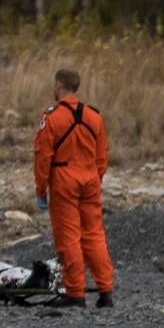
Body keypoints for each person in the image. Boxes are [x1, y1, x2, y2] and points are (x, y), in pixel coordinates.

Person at [35, 68, 114, 309]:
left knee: (69, 236)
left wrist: (41, 189)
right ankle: (106, 291)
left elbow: (42, 156)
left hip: (64, 178)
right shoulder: (94, 117)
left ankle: (75, 293)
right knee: (94, 234)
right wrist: (94, 179)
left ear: (59, 85)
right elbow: (102, 157)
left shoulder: (52, 118)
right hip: (90, 178)